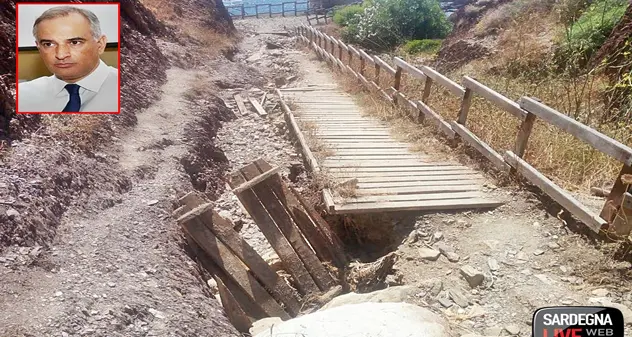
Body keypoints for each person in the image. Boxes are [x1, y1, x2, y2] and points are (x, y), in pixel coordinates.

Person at [18, 6, 118, 113]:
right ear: (39, 48)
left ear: (100, 45)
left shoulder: (131, 90)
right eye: (49, 44)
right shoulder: (21, 95)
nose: (61, 55)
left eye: (75, 42)